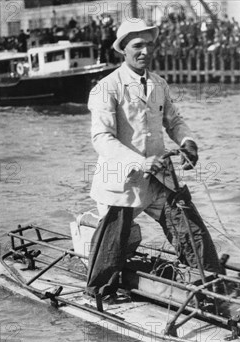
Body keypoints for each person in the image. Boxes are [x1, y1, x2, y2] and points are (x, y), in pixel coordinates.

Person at [86, 19, 222, 303]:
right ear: (123, 49)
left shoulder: (159, 83)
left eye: (149, 44)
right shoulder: (106, 87)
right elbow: (101, 138)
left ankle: (209, 285)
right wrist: (138, 161)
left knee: (191, 228)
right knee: (110, 251)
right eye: (138, 45)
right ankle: (100, 294)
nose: (145, 51)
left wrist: (188, 143)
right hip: (123, 181)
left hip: (160, 176)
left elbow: (174, 121)